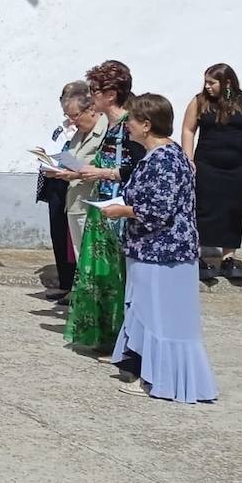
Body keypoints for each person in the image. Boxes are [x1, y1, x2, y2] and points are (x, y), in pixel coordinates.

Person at [98, 94, 218, 403]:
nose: (128, 128)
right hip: (153, 250)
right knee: (149, 314)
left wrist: (120, 210)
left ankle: (162, 380)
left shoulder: (164, 158)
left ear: (147, 125)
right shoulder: (163, 155)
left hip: (164, 252)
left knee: (161, 318)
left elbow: (158, 211)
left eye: (132, 122)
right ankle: (151, 374)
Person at [66, 59, 145, 353]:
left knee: (118, 273)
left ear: (111, 94)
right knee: (100, 272)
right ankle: (105, 335)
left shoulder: (130, 124)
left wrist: (102, 172)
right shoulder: (110, 124)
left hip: (120, 207)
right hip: (101, 203)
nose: (91, 96)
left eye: (95, 91)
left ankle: (122, 339)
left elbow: (138, 167)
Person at [181, 63, 242, 283]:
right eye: (206, 82)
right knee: (204, 208)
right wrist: (188, 159)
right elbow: (188, 129)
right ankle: (198, 256)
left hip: (241, 167)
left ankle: (228, 258)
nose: (207, 86)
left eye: (212, 82)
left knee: (233, 209)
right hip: (207, 165)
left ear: (227, 82)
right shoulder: (200, 101)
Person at [41, 88, 108, 304]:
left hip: (94, 200)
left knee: (94, 256)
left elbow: (103, 165)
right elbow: (72, 158)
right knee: (81, 254)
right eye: (68, 117)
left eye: (75, 116)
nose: (71, 121)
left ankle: (96, 300)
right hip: (76, 200)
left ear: (90, 110)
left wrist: (73, 172)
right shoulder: (79, 132)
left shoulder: (106, 130)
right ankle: (84, 299)